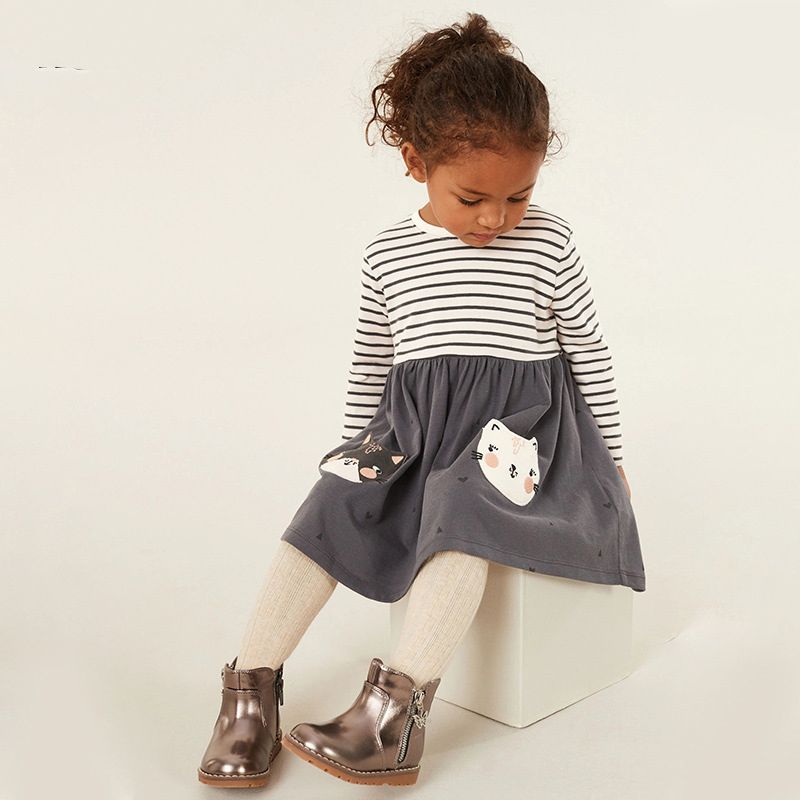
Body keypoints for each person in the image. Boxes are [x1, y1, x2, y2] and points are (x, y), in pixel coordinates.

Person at [197, 11, 646, 790]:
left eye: (519, 195)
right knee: (330, 504)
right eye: (473, 197)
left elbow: (589, 353)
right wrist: (355, 455)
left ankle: (392, 719)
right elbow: (373, 362)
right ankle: (250, 692)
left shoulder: (550, 242)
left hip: (520, 439)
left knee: (464, 509)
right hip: (411, 431)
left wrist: (613, 457)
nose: (497, 218)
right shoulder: (389, 253)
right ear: (416, 163)